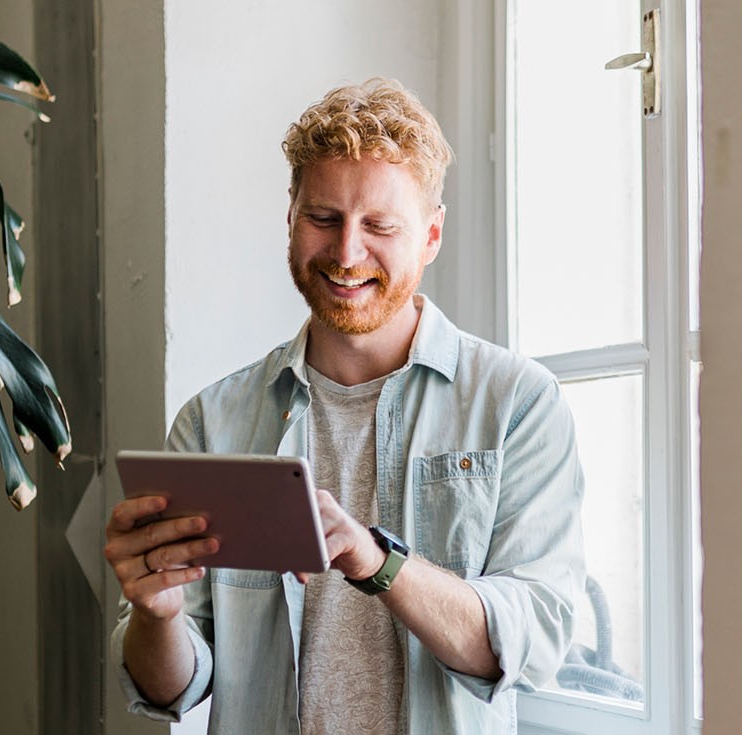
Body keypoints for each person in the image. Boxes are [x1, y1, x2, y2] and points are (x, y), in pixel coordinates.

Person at [103, 78, 585, 734]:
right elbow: (173, 689)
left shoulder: (517, 403)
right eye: (322, 218)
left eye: (380, 225)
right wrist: (156, 616)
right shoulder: (210, 420)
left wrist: (377, 560)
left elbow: (532, 640)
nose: (346, 253)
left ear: (431, 236)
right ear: (290, 219)